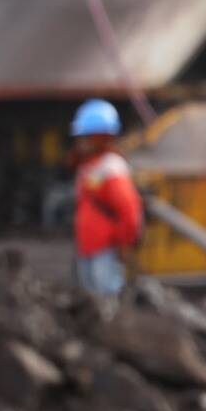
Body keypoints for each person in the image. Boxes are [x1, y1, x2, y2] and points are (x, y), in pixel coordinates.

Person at [68, 98, 144, 300]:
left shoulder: (111, 168)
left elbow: (128, 210)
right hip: (88, 248)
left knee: (108, 300)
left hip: (106, 250)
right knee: (92, 303)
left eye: (86, 136)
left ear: (102, 136)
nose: (80, 141)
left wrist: (124, 244)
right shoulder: (88, 167)